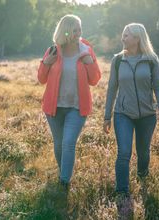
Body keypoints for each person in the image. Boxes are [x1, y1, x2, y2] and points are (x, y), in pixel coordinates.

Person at [37, 14, 101, 189]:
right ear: (65, 31)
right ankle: (63, 171)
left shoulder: (86, 49)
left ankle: (64, 182)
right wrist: (46, 63)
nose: (78, 33)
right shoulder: (53, 51)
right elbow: (41, 79)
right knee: (59, 145)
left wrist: (90, 62)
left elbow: (95, 80)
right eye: (74, 30)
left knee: (68, 143)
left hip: (77, 107)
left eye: (80, 29)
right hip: (54, 107)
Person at [103, 23, 159, 196]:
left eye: (127, 35)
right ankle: (122, 192)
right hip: (122, 113)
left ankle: (142, 178)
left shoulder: (151, 59)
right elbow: (112, 89)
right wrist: (107, 116)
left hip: (147, 115)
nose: (122, 38)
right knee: (124, 152)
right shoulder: (117, 60)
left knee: (143, 152)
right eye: (123, 35)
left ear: (137, 38)